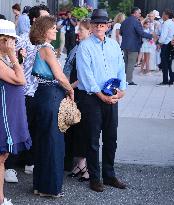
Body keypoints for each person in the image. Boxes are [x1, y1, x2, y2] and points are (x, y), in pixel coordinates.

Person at [76, 9, 127, 192]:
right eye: (96, 23)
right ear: (90, 25)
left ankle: (109, 175)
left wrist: (122, 91)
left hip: (112, 96)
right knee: (92, 140)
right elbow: (86, 75)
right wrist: (101, 95)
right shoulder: (85, 46)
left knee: (111, 139)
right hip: (92, 98)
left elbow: (121, 68)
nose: (99, 26)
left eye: (103, 24)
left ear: (108, 26)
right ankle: (95, 178)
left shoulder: (114, 45)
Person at [29, 15, 74, 197]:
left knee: (43, 141)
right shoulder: (47, 48)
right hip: (52, 95)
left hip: (42, 94)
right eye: (53, 28)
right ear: (44, 31)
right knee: (54, 142)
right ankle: (50, 188)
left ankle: (40, 186)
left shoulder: (39, 47)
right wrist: (70, 90)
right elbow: (60, 76)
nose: (56, 30)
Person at [15, 4, 50, 176]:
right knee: (21, 127)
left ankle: (30, 161)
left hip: (40, 90)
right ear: (35, 19)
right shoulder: (22, 39)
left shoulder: (46, 41)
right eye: (45, 17)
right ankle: (10, 166)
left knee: (35, 128)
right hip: (23, 91)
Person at [0, 19, 32, 205]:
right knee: (1, 158)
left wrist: (14, 58)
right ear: (3, 40)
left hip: (7, 114)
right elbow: (21, 80)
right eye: (11, 40)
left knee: (2, 159)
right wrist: (13, 56)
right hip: (3, 116)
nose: (14, 43)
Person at [63, 19, 91, 181]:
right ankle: (79, 164)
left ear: (89, 31)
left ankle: (84, 166)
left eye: (80, 30)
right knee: (74, 130)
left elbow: (83, 77)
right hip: (74, 92)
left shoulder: (87, 49)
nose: (77, 32)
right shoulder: (77, 47)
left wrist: (68, 87)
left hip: (81, 92)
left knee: (83, 130)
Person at [120, 7, 153, 85]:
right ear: (135, 13)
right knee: (131, 63)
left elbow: (121, 32)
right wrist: (151, 36)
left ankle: (124, 79)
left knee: (126, 63)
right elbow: (141, 33)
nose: (140, 14)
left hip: (125, 45)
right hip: (133, 46)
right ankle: (128, 80)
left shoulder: (125, 21)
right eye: (139, 13)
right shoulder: (136, 21)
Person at [157, 9, 174, 85]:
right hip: (170, 44)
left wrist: (159, 43)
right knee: (169, 63)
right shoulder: (172, 23)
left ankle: (165, 81)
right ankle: (171, 79)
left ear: (167, 15)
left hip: (166, 45)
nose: (162, 16)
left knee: (164, 63)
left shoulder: (166, 23)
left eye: (163, 14)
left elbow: (163, 36)